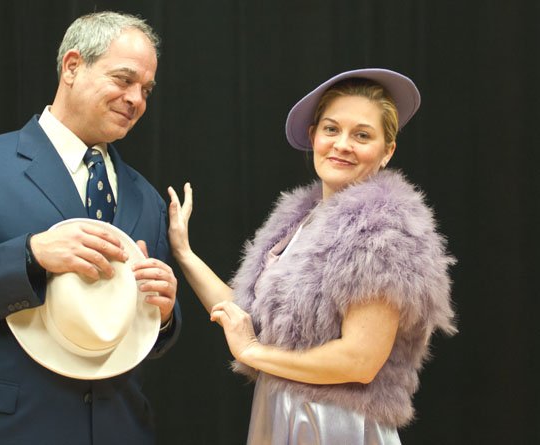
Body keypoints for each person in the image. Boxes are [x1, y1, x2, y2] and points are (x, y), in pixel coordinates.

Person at [0, 11, 180, 445]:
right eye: (123, 79)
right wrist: (30, 256)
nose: (137, 99)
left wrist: (164, 313)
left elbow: (142, 332)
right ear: (72, 66)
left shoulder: (146, 197)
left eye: (146, 89)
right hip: (6, 431)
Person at [168, 68, 456, 444]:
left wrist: (254, 353)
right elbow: (243, 318)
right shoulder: (300, 225)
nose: (342, 144)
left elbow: (359, 361)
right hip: (279, 412)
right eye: (331, 129)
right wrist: (184, 252)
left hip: (337, 425)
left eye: (363, 135)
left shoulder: (384, 231)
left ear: (387, 152)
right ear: (313, 136)